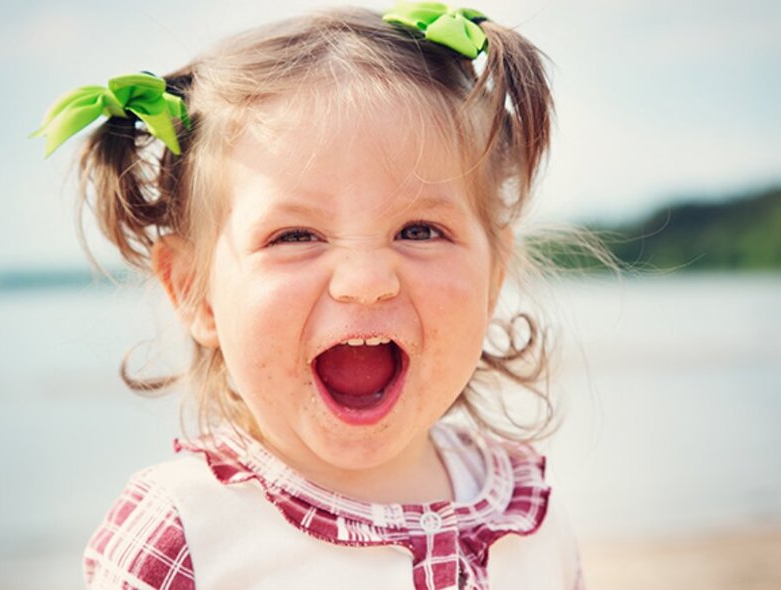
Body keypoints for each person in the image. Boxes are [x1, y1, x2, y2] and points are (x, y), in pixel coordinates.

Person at [34, 3, 585, 588]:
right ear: (195, 291)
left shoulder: (530, 515)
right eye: (295, 236)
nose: (366, 281)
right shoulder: (186, 539)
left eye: (420, 231)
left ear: (494, 274)